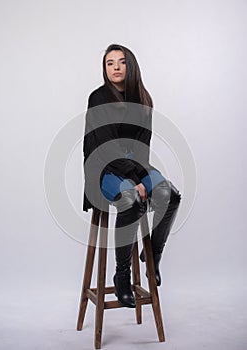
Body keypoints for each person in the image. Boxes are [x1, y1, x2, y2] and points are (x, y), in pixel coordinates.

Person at [83, 44, 181, 308]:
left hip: (135, 165)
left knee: (169, 194)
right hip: (104, 167)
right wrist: (135, 180)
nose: (115, 67)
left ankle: (153, 258)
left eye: (121, 62)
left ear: (131, 66)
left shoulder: (143, 99)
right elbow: (106, 144)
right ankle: (122, 275)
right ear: (104, 69)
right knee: (131, 201)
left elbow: (142, 144)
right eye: (109, 63)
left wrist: (141, 175)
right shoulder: (99, 97)